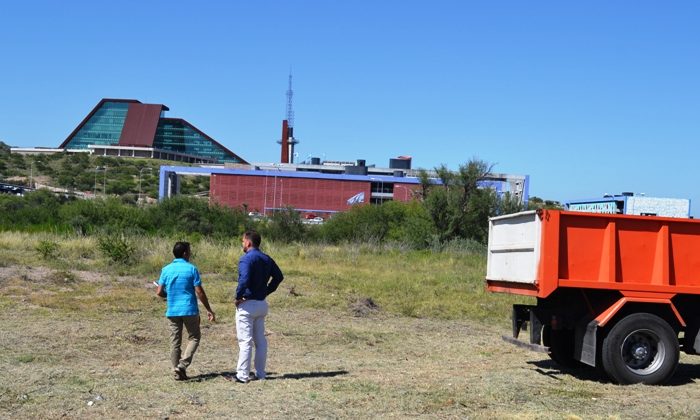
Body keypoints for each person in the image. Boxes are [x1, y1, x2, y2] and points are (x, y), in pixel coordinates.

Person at [156, 241, 215, 381]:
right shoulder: (191, 269)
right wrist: (208, 309)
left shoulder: (166, 269)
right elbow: (199, 291)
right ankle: (182, 366)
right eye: (189, 251)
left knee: (175, 341)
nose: (190, 253)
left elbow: (159, 292)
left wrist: (168, 295)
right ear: (184, 253)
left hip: (172, 311)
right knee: (194, 337)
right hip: (189, 310)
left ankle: (176, 370)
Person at [232, 230, 284, 383]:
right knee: (260, 340)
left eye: (243, 241)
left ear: (248, 242)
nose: (242, 244)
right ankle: (260, 373)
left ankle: (242, 375)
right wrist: (266, 291)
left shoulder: (246, 259)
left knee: (245, 341)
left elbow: (244, 279)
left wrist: (238, 296)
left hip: (247, 304)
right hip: (261, 303)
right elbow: (279, 277)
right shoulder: (266, 258)